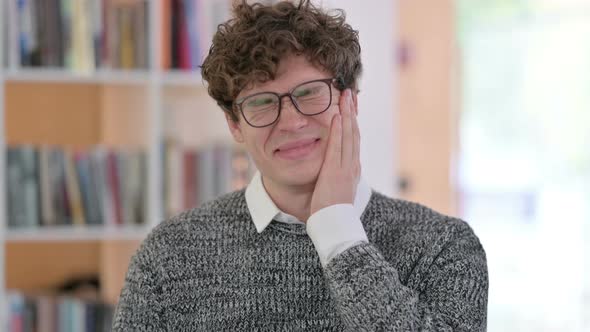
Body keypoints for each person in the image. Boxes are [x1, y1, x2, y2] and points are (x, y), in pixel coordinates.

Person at [112, 1, 488, 331]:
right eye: (261, 102)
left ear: (350, 101)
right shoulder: (168, 255)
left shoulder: (444, 246)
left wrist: (338, 233)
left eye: (309, 93)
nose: (291, 122)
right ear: (234, 125)